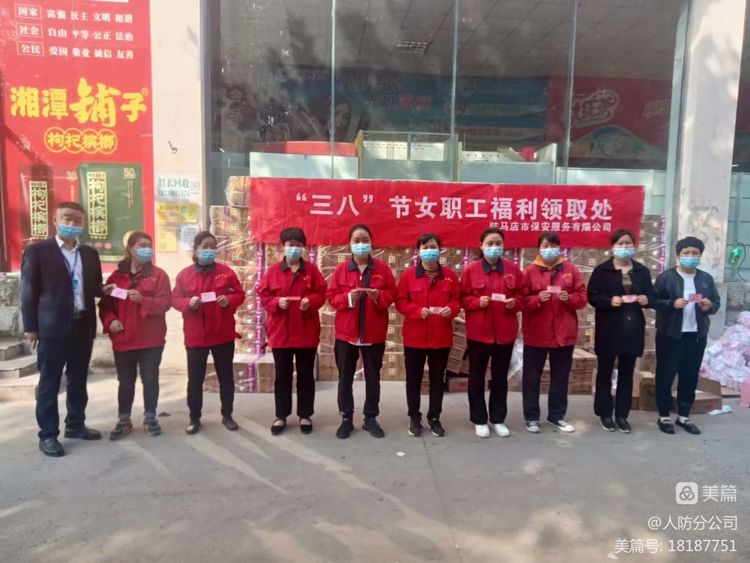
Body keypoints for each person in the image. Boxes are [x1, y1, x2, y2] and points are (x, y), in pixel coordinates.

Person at [21, 201, 114, 457]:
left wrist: (103, 290)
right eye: (67, 218)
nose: (72, 224)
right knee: (50, 382)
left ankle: (75, 424)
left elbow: (93, 286)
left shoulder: (89, 254)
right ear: (55, 220)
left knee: (79, 378)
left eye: (77, 220)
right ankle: (48, 434)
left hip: (82, 325)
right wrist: (31, 327)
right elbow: (28, 291)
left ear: (83, 224)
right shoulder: (38, 251)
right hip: (52, 328)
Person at [99, 232, 172, 440]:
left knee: (150, 379)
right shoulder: (116, 277)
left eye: (149, 245)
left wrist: (143, 300)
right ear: (131, 248)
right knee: (125, 381)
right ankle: (124, 419)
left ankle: (150, 417)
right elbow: (105, 305)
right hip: (124, 338)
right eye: (142, 245)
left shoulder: (159, 275)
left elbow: (166, 303)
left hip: (151, 339)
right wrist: (110, 321)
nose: (147, 249)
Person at [327, 224, 397, 439]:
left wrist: (378, 297)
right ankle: (346, 418)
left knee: (373, 378)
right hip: (346, 335)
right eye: (356, 240)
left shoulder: (382, 270)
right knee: (345, 379)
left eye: (365, 240)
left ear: (371, 243)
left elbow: (392, 295)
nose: (361, 244)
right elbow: (332, 298)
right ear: (349, 244)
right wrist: (349, 298)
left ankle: (370, 418)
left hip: (374, 334)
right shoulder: (341, 270)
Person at [172, 231, 245, 434]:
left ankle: (227, 414)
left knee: (226, 377)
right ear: (196, 249)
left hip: (222, 333)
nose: (209, 250)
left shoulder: (226, 273)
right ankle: (194, 417)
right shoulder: (184, 275)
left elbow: (239, 294)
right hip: (196, 336)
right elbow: (175, 298)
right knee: (195, 380)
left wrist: (229, 301)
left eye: (213, 246)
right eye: (205, 246)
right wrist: (188, 303)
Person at [257, 227, 327, 435]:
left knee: (305, 376)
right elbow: (263, 295)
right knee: (283, 376)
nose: (294, 248)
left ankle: (305, 415)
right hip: (281, 333)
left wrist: (310, 302)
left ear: (303, 247)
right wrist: (276, 302)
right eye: (290, 245)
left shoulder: (312, 271)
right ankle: (281, 415)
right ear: (283, 247)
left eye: (298, 245)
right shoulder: (273, 271)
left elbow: (322, 293)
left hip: (306, 332)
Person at [587, 229, 655, 433]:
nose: (625, 247)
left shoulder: (642, 271)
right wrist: (609, 301)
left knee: (627, 373)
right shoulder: (602, 270)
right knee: (605, 372)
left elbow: (651, 296)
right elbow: (592, 296)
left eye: (628, 243)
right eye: (620, 244)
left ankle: (622, 415)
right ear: (613, 247)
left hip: (632, 328)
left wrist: (646, 299)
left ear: (634, 246)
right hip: (608, 328)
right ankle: (605, 414)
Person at [652, 236, 720, 435]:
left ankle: (684, 415)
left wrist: (709, 307)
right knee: (665, 375)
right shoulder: (666, 277)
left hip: (696, 336)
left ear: (700, 255)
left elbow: (716, 303)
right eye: (686, 253)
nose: (690, 256)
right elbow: (654, 301)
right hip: (670, 334)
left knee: (689, 375)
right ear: (678, 255)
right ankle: (664, 416)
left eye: (695, 253)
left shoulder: (706, 279)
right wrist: (671, 304)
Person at [460, 228, 524, 439]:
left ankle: (498, 419)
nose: (494, 247)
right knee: (476, 376)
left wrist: (515, 303)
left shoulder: (513, 270)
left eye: (498, 243)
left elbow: (522, 296)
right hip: (479, 332)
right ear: (481, 245)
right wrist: (476, 302)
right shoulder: (471, 270)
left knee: (499, 378)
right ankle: (479, 419)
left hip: (505, 333)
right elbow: (462, 299)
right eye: (490, 243)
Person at [521, 232, 588, 434]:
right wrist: (536, 299)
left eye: (553, 246)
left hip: (563, 333)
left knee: (560, 377)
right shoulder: (530, 272)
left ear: (559, 248)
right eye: (545, 245)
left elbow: (582, 298)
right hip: (536, 333)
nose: (549, 249)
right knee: (532, 377)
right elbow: (521, 301)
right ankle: (531, 417)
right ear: (539, 248)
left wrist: (570, 298)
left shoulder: (570, 270)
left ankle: (556, 416)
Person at [396, 233, 460, 438]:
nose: (429, 251)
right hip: (414, 337)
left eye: (433, 247)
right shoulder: (408, 276)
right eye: (425, 247)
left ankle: (434, 417)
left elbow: (457, 300)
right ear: (418, 251)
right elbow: (400, 302)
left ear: (440, 250)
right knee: (413, 379)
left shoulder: (450, 276)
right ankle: (414, 417)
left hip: (441, 337)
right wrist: (416, 311)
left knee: (437, 380)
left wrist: (451, 309)